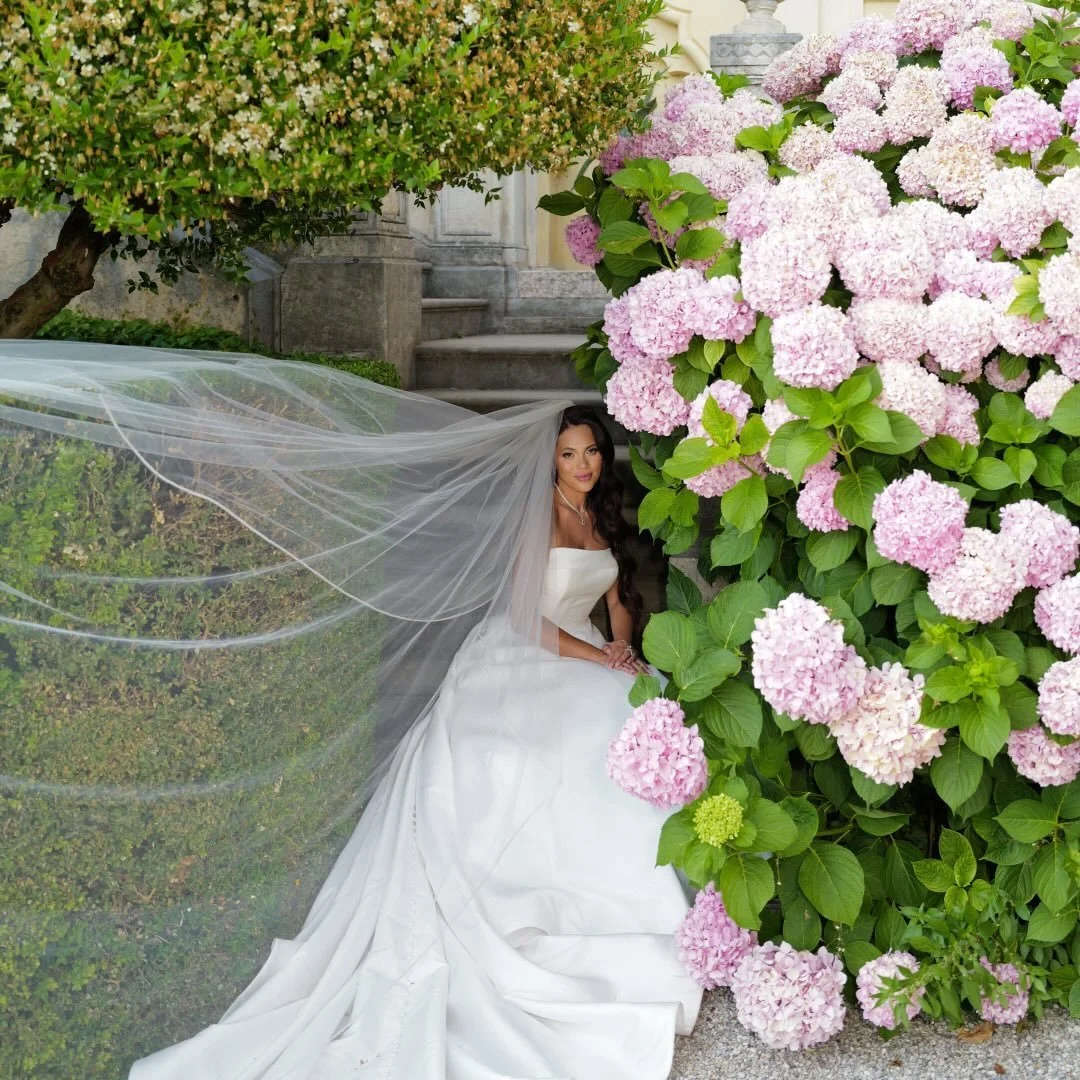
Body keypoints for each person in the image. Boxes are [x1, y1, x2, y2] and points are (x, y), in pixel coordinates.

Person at [0, 343, 700, 1079]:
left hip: (588, 648)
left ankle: (633, 908)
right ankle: (539, 912)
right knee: (562, 734)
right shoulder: (540, 520)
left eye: (591, 451)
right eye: (569, 454)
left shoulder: (602, 518)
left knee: (629, 710)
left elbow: (619, 600)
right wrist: (597, 660)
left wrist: (622, 649)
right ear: (549, 461)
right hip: (529, 651)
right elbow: (528, 613)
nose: (583, 465)